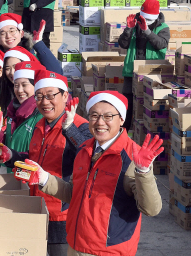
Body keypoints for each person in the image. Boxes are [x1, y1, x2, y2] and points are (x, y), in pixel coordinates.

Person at [29, 91, 163, 256]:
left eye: (108, 116)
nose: (100, 122)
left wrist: (144, 171)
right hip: (76, 245)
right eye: (94, 115)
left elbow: (151, 208)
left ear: (121, 119)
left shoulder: (131, 157)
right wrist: (44, 179)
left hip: (108, 251)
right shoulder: (85, 150)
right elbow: (74, 194)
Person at [0, 70, 92, 256]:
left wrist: (69, 128)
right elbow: (35, 159)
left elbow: (89, 156)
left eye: (51, 96)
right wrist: (11, 156)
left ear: (65, 96)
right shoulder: (39, 125)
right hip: (36, 205)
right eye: (40, 96)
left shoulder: (81, 126)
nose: (45, 102)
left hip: (62, 213)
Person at [118, 0, 169, 130]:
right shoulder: (134, 24)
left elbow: (161, 44)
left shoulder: (163, 27)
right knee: (128, 104)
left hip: (151, 72)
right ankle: (125, 132)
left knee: (147, 103)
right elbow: (123, 44)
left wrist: (147, 31)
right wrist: (128, 29)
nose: (147, 21)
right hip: (131, 70)